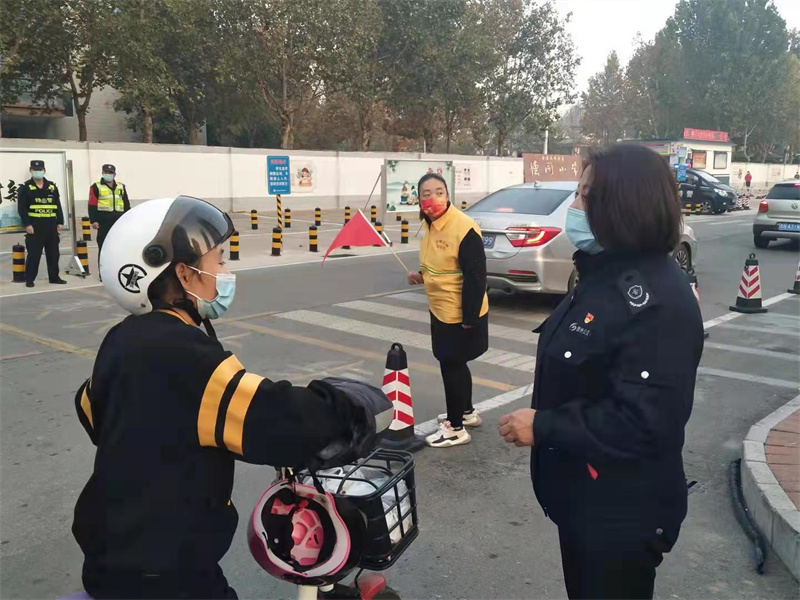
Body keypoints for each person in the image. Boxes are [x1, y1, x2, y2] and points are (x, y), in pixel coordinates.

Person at [72, 195, 380, 599]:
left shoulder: (123, 338)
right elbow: (277, 421)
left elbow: (89, 409)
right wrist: (351, 408)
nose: (224, 272)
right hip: (167, 574)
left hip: (111, 553)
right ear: (184, 274)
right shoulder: (183, 353)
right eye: (218, 261)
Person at [499, 144, 704, 599]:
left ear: (624, 206)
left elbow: (645, 422)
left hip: (620, 514)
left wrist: (544, 425)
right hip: (586, 503)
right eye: (578, 193)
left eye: (586, 197)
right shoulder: (601, 275)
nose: (574, 207)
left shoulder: (657, 300)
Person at [408, 173, 489, 448]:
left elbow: (476, 276)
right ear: (419, 199)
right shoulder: (430, 224)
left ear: (448, 195)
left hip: (458, 310)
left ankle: (455, 429)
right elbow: (441, 263)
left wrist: (470, 317)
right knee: (455, 362)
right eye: (426, 193)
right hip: (440, 306)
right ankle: (466, 413)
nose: (433, 198)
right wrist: (421, 276)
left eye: (439, 192)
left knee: (450, 364)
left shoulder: (463, 228)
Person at [16, 159, 66, 287]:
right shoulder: (26, 188)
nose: (38, 172)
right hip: (35, 227)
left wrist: (60, 221)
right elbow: (22, 208)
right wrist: (27, 224)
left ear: (44, 170)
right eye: (35, 170)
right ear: (31, 170)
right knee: (34, 255)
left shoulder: (51, 187)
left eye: (40, 170)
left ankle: (54, 277)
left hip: (51, 226)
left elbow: (57, 205)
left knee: (53, 254)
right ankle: (30, 279)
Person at [89, 163, 130, 253]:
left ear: (114, 174)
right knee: (104, 246)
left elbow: (126, 203)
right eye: (106, 172)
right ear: (102, 173)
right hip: (104, 222)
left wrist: (128, 218)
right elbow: (92, 205)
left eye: (110, 172)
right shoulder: (96, 186)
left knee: (119, 246)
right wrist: (94, 220)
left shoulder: (121, 186)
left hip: (119, 221)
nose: (108, 174)